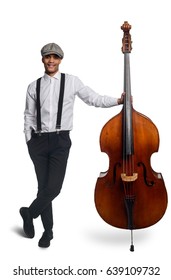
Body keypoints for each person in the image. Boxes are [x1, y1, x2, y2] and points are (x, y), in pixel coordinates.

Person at [20, 42, 124, 248]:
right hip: (38, 142)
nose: (51, 60)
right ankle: (48, 233)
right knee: (44, 188)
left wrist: (117, 101)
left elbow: (93, 99)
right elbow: (28, 115)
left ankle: (28, 213)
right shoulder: (33, 86)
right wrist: (29, 139)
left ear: (60, 60)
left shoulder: (72, 82)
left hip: (60, 141)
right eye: (47, 57)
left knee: (53, 188)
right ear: (42, 59)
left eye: (55, 57)